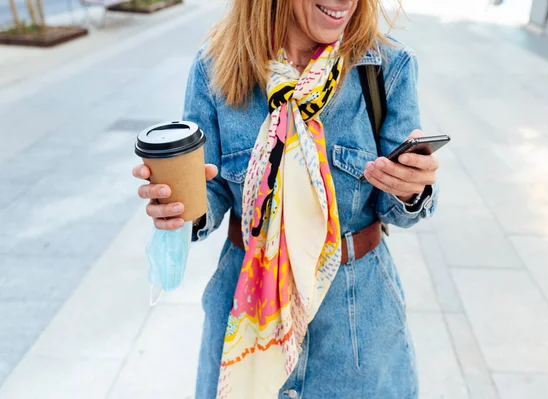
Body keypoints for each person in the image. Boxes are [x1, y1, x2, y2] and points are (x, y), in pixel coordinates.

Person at [132, 0, 440, 397]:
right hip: (244, 312)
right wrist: (177, 206)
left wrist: (412, 188)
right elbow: (208, 193)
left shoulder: (387, 67)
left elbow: (397, 210)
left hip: (356, 323)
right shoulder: (216, 67)